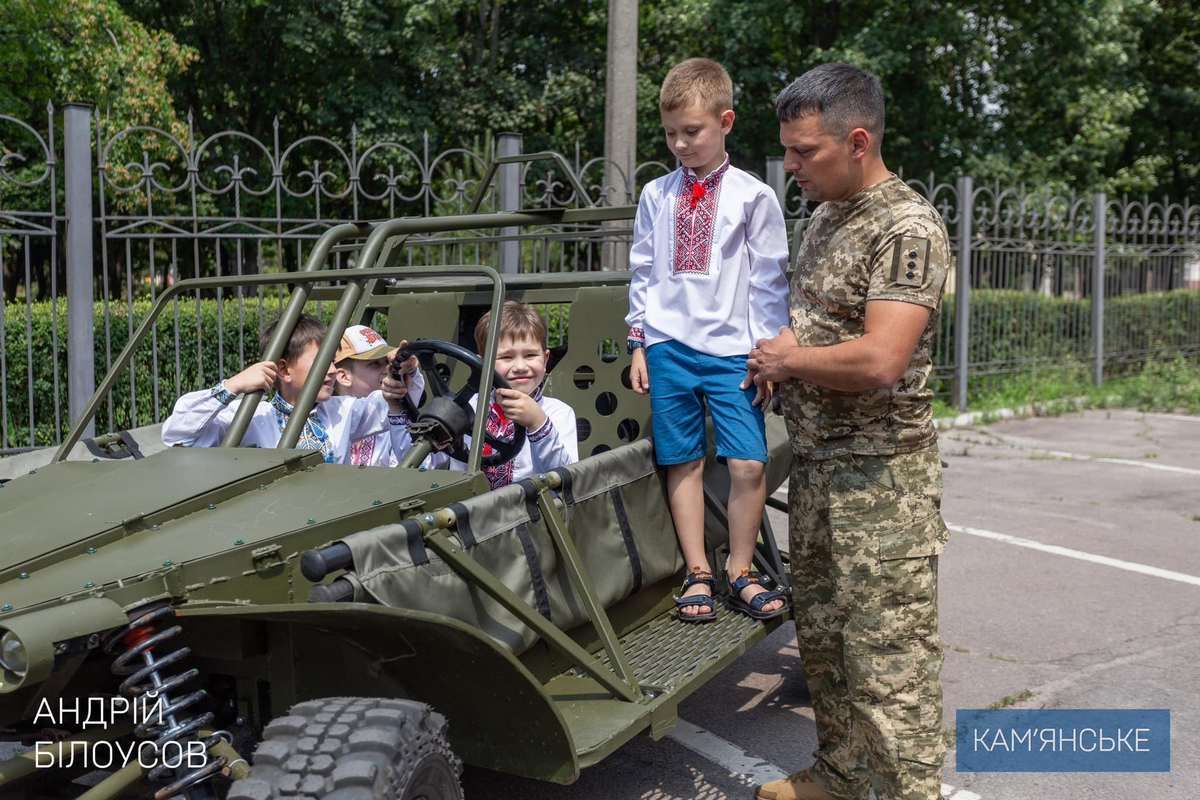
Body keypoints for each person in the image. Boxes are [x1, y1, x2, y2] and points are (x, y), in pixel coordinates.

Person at [746, 64, 952, 800]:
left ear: (857, 140)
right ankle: (840, 774)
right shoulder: (830, 215)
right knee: (828, 649)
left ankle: (904, 789)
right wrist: (782, 356)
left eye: (804, 153)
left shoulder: (907, 226)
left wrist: (791, 358)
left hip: (881, 482)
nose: (790, 167)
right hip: (819, 468)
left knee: (889, 666)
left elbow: (881, 360)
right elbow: (813, 319)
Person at [625, 57, 790, 623]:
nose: (679, 144)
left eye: (691, 132)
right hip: (669, 346)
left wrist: (767, 355)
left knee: (748, 463)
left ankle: (740, 569)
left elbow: (769, 280)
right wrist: (639, 342)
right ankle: (698, 572)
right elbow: (643, 269)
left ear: (726, 121)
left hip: (732, 354)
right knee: (684, 462)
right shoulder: (656, 194)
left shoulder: (753, 196)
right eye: (671, 134)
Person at [162, 314, 422, 464]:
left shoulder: (340, 411)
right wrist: (233, 385)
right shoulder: (253, 417)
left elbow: (387, 403)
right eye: (321, 362)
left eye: (331, 360)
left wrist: (405, 372)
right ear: (284, 370)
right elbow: (177, 433)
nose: (331, 370)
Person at [425, 301, 577, 488]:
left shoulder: (559, 413)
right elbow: (425, 464)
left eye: (530, 355)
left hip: (529, 513)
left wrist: (538, 424)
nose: (520, 367)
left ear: (545, 359)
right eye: (506, 357)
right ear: (482, 365)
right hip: (468, 511)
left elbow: (567, 481)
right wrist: (398, 408)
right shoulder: (465, 407)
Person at [333, 323, 420, 466]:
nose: (386, 369)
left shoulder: (391, 419)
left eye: (387, 362)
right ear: (344, 377)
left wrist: (410, 371)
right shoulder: (329, 416)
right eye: (374, 364)